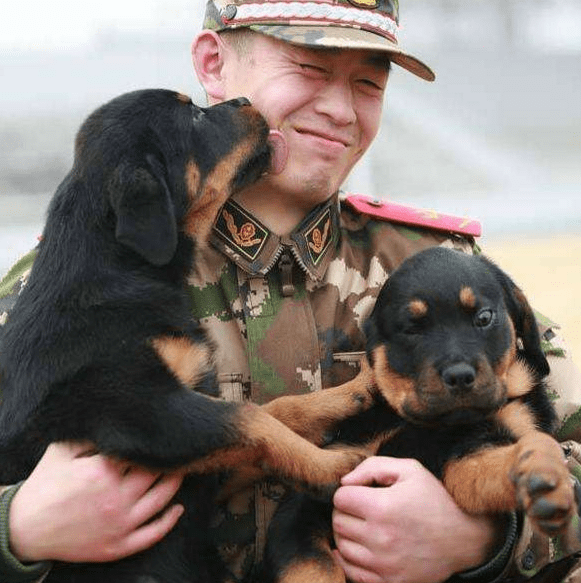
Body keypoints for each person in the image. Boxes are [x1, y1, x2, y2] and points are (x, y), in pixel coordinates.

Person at [1, 1, 581, 581]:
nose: (340, 110)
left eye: (368, 84)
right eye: (309, 68)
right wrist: (17, 526)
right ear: (212, 63)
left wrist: (487, 540)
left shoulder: (439, 273)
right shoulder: (63, 298)